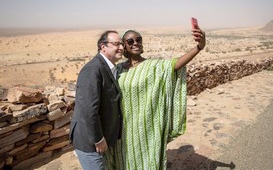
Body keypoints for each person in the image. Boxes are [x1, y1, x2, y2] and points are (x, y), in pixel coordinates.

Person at [105, 26, 206, 170]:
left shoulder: (153, 66)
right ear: (124, 46)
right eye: (130, 41)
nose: (135, 43)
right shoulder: (118, 69)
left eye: (138, 40)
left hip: (147, 127)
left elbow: (176, 64)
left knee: (147, 160)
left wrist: (199, 47)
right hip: (124, 129)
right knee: (124, 161)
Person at [69, 30, 124, 170]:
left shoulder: (109, 67)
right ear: (103, 46)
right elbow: (88, 111)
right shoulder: (93, 70)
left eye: (122, 44)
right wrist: (98, 139)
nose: (121, 47)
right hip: (90, 143)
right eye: (116, 44)